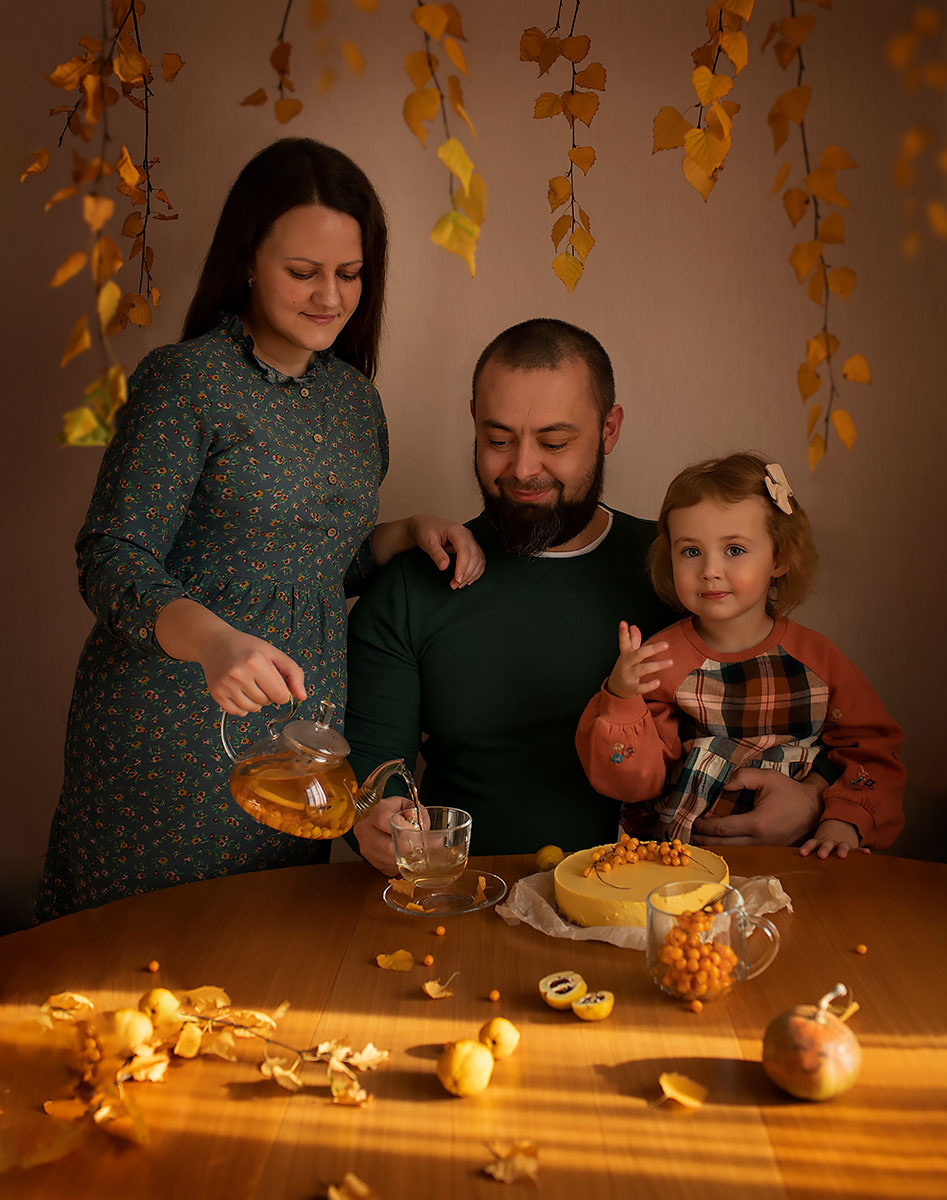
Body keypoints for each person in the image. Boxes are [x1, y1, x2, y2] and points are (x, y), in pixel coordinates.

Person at [36, 138, 482, 921]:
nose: (330, 297)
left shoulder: (352, 401)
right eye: (302, 272)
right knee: (138, 967)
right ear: (248, 260)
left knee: (267, 952)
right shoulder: (186, 382)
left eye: (349, 274)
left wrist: (401, 532)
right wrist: (214, 642)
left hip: (300, 731)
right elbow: (109, 554)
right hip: (170, 723)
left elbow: (315, 564)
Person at [344, 322, 828, 875]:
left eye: (554, 443)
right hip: (471, 898)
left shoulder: (687, 570)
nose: (524, 469)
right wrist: (373, 823)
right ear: (473, 419)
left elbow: (807, 701)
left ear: (609, 429)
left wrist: (813, 796)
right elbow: (371, 782)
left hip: (669, 900)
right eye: (498, 440)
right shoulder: (414, 585)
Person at [576, 453, 906, 858]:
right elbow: (633, 783)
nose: (710, 569)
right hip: (683, 861)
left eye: (734, 550)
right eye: (691, 552)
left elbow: (871, 748)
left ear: (779, 559)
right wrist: (623, 700)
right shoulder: (662, 660)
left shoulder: (817, 658)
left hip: (799, 856)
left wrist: (846, 818)